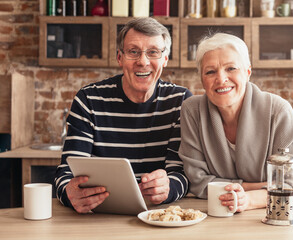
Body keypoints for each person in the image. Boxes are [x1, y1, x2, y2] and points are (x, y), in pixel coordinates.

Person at [178, 33, 293, 213]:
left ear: (248, 72)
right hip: (244, 206)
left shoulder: (278, 110)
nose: (221, 78)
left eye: (231, 68)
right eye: (210, 71)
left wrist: (248, 198)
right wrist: (260, 188)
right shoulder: (192, 111)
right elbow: (199, 182)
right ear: (202, 79)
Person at [55, 18, 192, 213]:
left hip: (158, 216)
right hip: (98, 217)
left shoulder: (180, 101)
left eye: (153, 52)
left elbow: (182, 174)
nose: (143, 62)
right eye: (133, 52)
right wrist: (70, 194)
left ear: (165, 59)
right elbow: (66, 173)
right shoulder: (88, 99)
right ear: (120, 57)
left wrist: (169, 187)